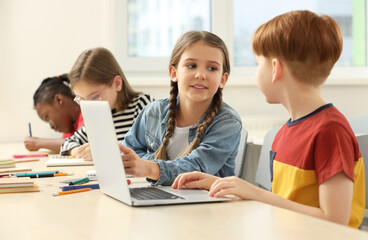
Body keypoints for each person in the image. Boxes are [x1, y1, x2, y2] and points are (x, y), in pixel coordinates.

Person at [172, 10, 365, 228]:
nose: (256, 72)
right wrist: (219, 183)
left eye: (258, 64)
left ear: (275, 69)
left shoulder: (331, 131)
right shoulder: (285, 132)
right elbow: (284, 205)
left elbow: (334, 221)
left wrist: (253, 193)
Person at [120, 31, 242, 186]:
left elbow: (197, 169)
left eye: (212, 68)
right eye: (191, 66)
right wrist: (148, 166)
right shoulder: (153, 112)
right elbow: (128, 152)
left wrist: (150, 167)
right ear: (173, 72)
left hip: (207, 204)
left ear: (223, 80)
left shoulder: (228, 122)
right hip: (160, 196)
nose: (200, 74)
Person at [60, 47, 154, 160]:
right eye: (81, 99)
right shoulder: (97, 115)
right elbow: (68, 143)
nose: (88, 105)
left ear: (117, 83)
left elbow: (152, 152)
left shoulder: (142, 105)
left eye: (94, 97)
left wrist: (102, 152)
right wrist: (76, 150)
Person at [24, 74, 84, 152]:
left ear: (59, 100)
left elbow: (78, 142)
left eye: (47, 118)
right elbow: (66, 141)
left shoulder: (87, 112)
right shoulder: (71, 126)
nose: (51, 126)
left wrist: (38, 143)